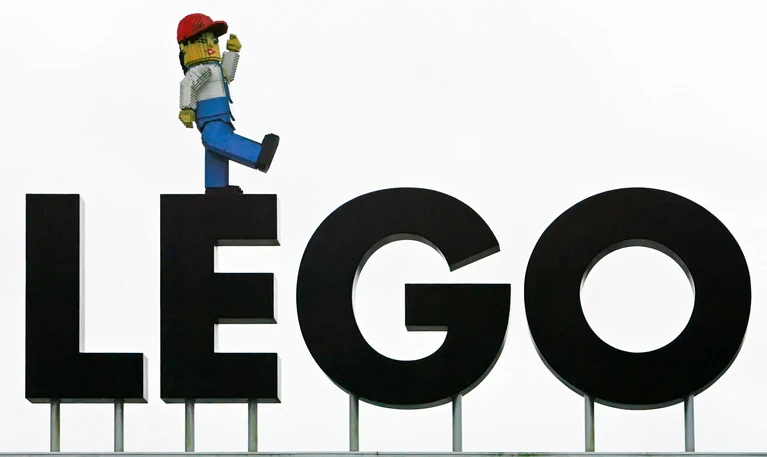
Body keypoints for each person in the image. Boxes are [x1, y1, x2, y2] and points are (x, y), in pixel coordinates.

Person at [177, 13, 279, 194]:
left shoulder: (214, 68)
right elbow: (187, 85)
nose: (210, 46)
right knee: (215, 142)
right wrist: (186, 108)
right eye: (203, 42)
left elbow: (228, 74)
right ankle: (254, 157)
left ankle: (220, 183)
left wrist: (232, 52)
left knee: (214, 147)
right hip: (210, 115)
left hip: (219, 114)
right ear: (187, 47)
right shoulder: (200, 70)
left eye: (214, 42)